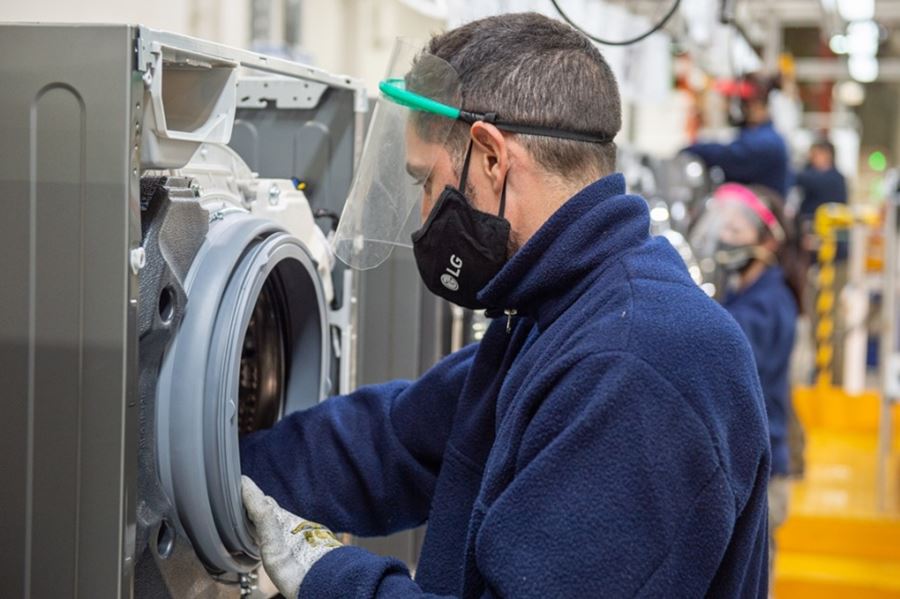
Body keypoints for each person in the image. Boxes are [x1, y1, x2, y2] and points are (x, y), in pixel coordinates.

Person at [239, 13, 771, 598]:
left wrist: (328, 575)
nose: (423, 215)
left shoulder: (635, 362)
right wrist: (215, 470)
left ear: (490, 156)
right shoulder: (558, 314)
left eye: (425, 181)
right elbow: (392, 443)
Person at [690, 183, 800, 597]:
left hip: (767, 467)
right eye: (724, 228)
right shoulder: (747, 292)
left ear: (767, 240)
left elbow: (725, 360)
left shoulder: (768, 303)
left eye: (738, 231)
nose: (725, 239)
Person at [683, 73, 791, 198]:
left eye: (731, 101)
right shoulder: (757, 136)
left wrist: (689, 149)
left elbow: (726, 155)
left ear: (753, 105)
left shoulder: (765, 142)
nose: (727, 107)